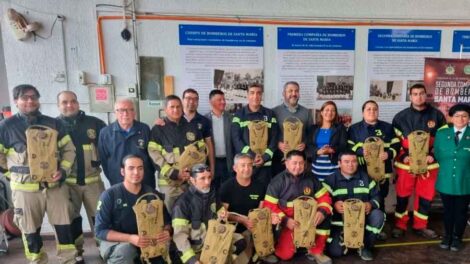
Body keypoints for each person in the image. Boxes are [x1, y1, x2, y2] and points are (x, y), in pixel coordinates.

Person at [0, 84, 77, 263]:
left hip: (55, 187)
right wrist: (12, 173)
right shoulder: (6, 126)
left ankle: (68, 260)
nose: (30, 101)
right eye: (25, 97)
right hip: (25, 191)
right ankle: (37, 260)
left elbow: (69, 150)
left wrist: (63, 171)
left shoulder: (54, 123)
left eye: (33, 97)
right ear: (16, 101)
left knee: (65, 227)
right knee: (30, 231)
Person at [56, 91, 106, 263]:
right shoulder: (53, 126)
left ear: (78, 103)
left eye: (73, 101)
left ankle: (104, 248)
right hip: (67, 185)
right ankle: (77, 252)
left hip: (94, 183)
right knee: (72, 220)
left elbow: (107, 148)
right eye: (64, 102)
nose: (69, 105)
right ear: (58, 105)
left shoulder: (96, 123)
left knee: (99, 218)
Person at [392, 84, 446, 239]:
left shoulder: (437, 116)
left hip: (429, 165)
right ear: (410, 96)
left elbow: (442, 141)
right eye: (415, 94)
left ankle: (420, 226)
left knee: (425, 196)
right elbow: (395, 142)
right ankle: (400, 225)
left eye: (421, 93)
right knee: (402, 195)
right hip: (406, 165)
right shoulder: (400, 117)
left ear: (426, 95)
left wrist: (433, 156)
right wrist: (403, 157)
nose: (418, 96)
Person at [95, 154, 172, 263]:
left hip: (146, 241)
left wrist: (166, 232)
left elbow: (167, 222)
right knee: (126, 251)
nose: (136, 172)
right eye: (131, 168)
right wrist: (130, 238)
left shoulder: (153, 194)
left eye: (140, 168)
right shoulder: (109, 195)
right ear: (123, 171)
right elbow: (100, 231)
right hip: (119, 243)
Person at [263, 150, 332, 264]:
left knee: (325, 215)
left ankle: (316, 251)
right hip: (290, 222)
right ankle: (292, 245)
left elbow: (324, 197)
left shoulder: (311, 178)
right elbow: (269, 206)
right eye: (294, 163)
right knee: (285, 255)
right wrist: (285, 221)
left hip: (309, 220)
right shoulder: (277, 181)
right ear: (286, 163)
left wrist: (322, 212)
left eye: (301, 163)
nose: (298, 166)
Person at [172, 163, 246, 264]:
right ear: (193, 181)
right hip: (197, 249)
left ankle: (224, 260)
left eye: (209, 177)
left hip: (214, 240)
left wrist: (223, 216)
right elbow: (180, 237)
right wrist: (192, 261)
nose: (207, 182)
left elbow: (220, 211)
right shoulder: (182, 204)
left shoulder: (212, 193)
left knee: (240, 242)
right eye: (202, 178)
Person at [347, 100, 400, 240]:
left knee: (380, 199)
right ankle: (360, 227)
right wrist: (359, 152)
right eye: (368, 109)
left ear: (378, 111)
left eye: (374, 109)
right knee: (361, 198)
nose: (372, 111)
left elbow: (396, 145)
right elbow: (349, 146)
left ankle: (379, 228)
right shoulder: (354, 129)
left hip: (382, 173)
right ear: (363, 112)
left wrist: (388, 154)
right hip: (361, 172)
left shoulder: (388, 128)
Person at [323, 151, 384, 261]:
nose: (350, 165)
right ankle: (346, 241)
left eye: (354, 161)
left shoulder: (366, 178)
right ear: (339, 163)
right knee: (336, 252)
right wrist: (333, 205)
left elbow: (377, 196)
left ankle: (365, 245)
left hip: (361, 222)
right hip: (340, 224)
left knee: (378, 215)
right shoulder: (330, 180)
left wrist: (371, 204)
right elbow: (322, 201)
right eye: (346, 162)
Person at [148, 95, 206, 209]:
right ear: (165, 110)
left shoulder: (193, 128)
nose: (176, 110)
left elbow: (202, 153)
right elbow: (155, 157)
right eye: (172, 107)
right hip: (169, 185)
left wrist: (190, 172)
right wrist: (174, 173)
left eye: (178, 107)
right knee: (170, 215)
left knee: (192, 212)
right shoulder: (158, 130)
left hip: (190, 181)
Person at [219, 153, 275, 263]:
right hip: (235, 228)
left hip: (254, 225)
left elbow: (261, 210)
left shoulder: (260, 186)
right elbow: (223, 215)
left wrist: (257, 222)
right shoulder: (226, 187)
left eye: (250, 165)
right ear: (235, 168)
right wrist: (242, 220)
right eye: (243, 165)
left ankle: (262, 252)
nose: (247, 169)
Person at [434, 104, 470, 251]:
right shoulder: (442, 134)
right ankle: (447, 236)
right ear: (451, 117)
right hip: (446, 180)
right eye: (457, 116)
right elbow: (438, 155)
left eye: (464, 116)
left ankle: (457, 238)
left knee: (461, 211)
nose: (460, 119)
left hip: (465, 181)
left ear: (468, 118)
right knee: (448, 211)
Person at [98, 98, 155, 188]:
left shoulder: (144, 129)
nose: (125, 114)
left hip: (144, 181)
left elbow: (152, 156)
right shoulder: (105, 133)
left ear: (134, 112)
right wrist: (113, 177)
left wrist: (148, 173)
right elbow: (104, 160)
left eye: (130, 110)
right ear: (115, 112)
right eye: (121, 110)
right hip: (118, 182)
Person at [231, 84, 278, 187]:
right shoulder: (239, 115)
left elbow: (274, 139)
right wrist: (252, 155)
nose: (255, 96)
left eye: (258, 93)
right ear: (247, 95)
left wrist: (265, 157)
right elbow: (236, 139)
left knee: (263, 195)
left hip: (265, 166)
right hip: (246, 166)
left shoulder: (270, 114)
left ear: (262, 95)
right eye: (252, 93)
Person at [272, 81, 313, 175]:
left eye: (296, 91)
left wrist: (305, 143)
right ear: (284, 93)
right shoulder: (274, 112)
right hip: (280, 158)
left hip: (300, 160)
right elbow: (270, 134)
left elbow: (311, 134)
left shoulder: (306, 112)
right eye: (290, 91)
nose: (293, 94)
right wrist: (278, 144)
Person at [306, 101, 347, 181]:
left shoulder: (340, 128)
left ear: (335, 113)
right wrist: (318, 151)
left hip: (334, 168)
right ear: (321, 112)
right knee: (318, 192)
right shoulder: (313, 128)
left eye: (333, 110)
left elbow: (343, 146)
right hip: (316, 168)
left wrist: (332, 150)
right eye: (327, 110)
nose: (329, 112)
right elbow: (309, 145)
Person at [181, 89, 215, 175]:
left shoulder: (204, 121)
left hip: (199, 168)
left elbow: (209, 144)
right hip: (180, 167)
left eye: (195, 99)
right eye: (188, 98)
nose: (192, 101)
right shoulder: (176, 119)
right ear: (182, 100)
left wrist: (212, 167)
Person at [206, 90, 234, 189]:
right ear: (211, 102)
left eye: (224, 99)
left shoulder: (231, 118)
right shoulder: (205, 120)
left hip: (228, 161)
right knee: (213, 189)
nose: (223, 102)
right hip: (212, 162)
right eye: (219, 100)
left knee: (228, 189)